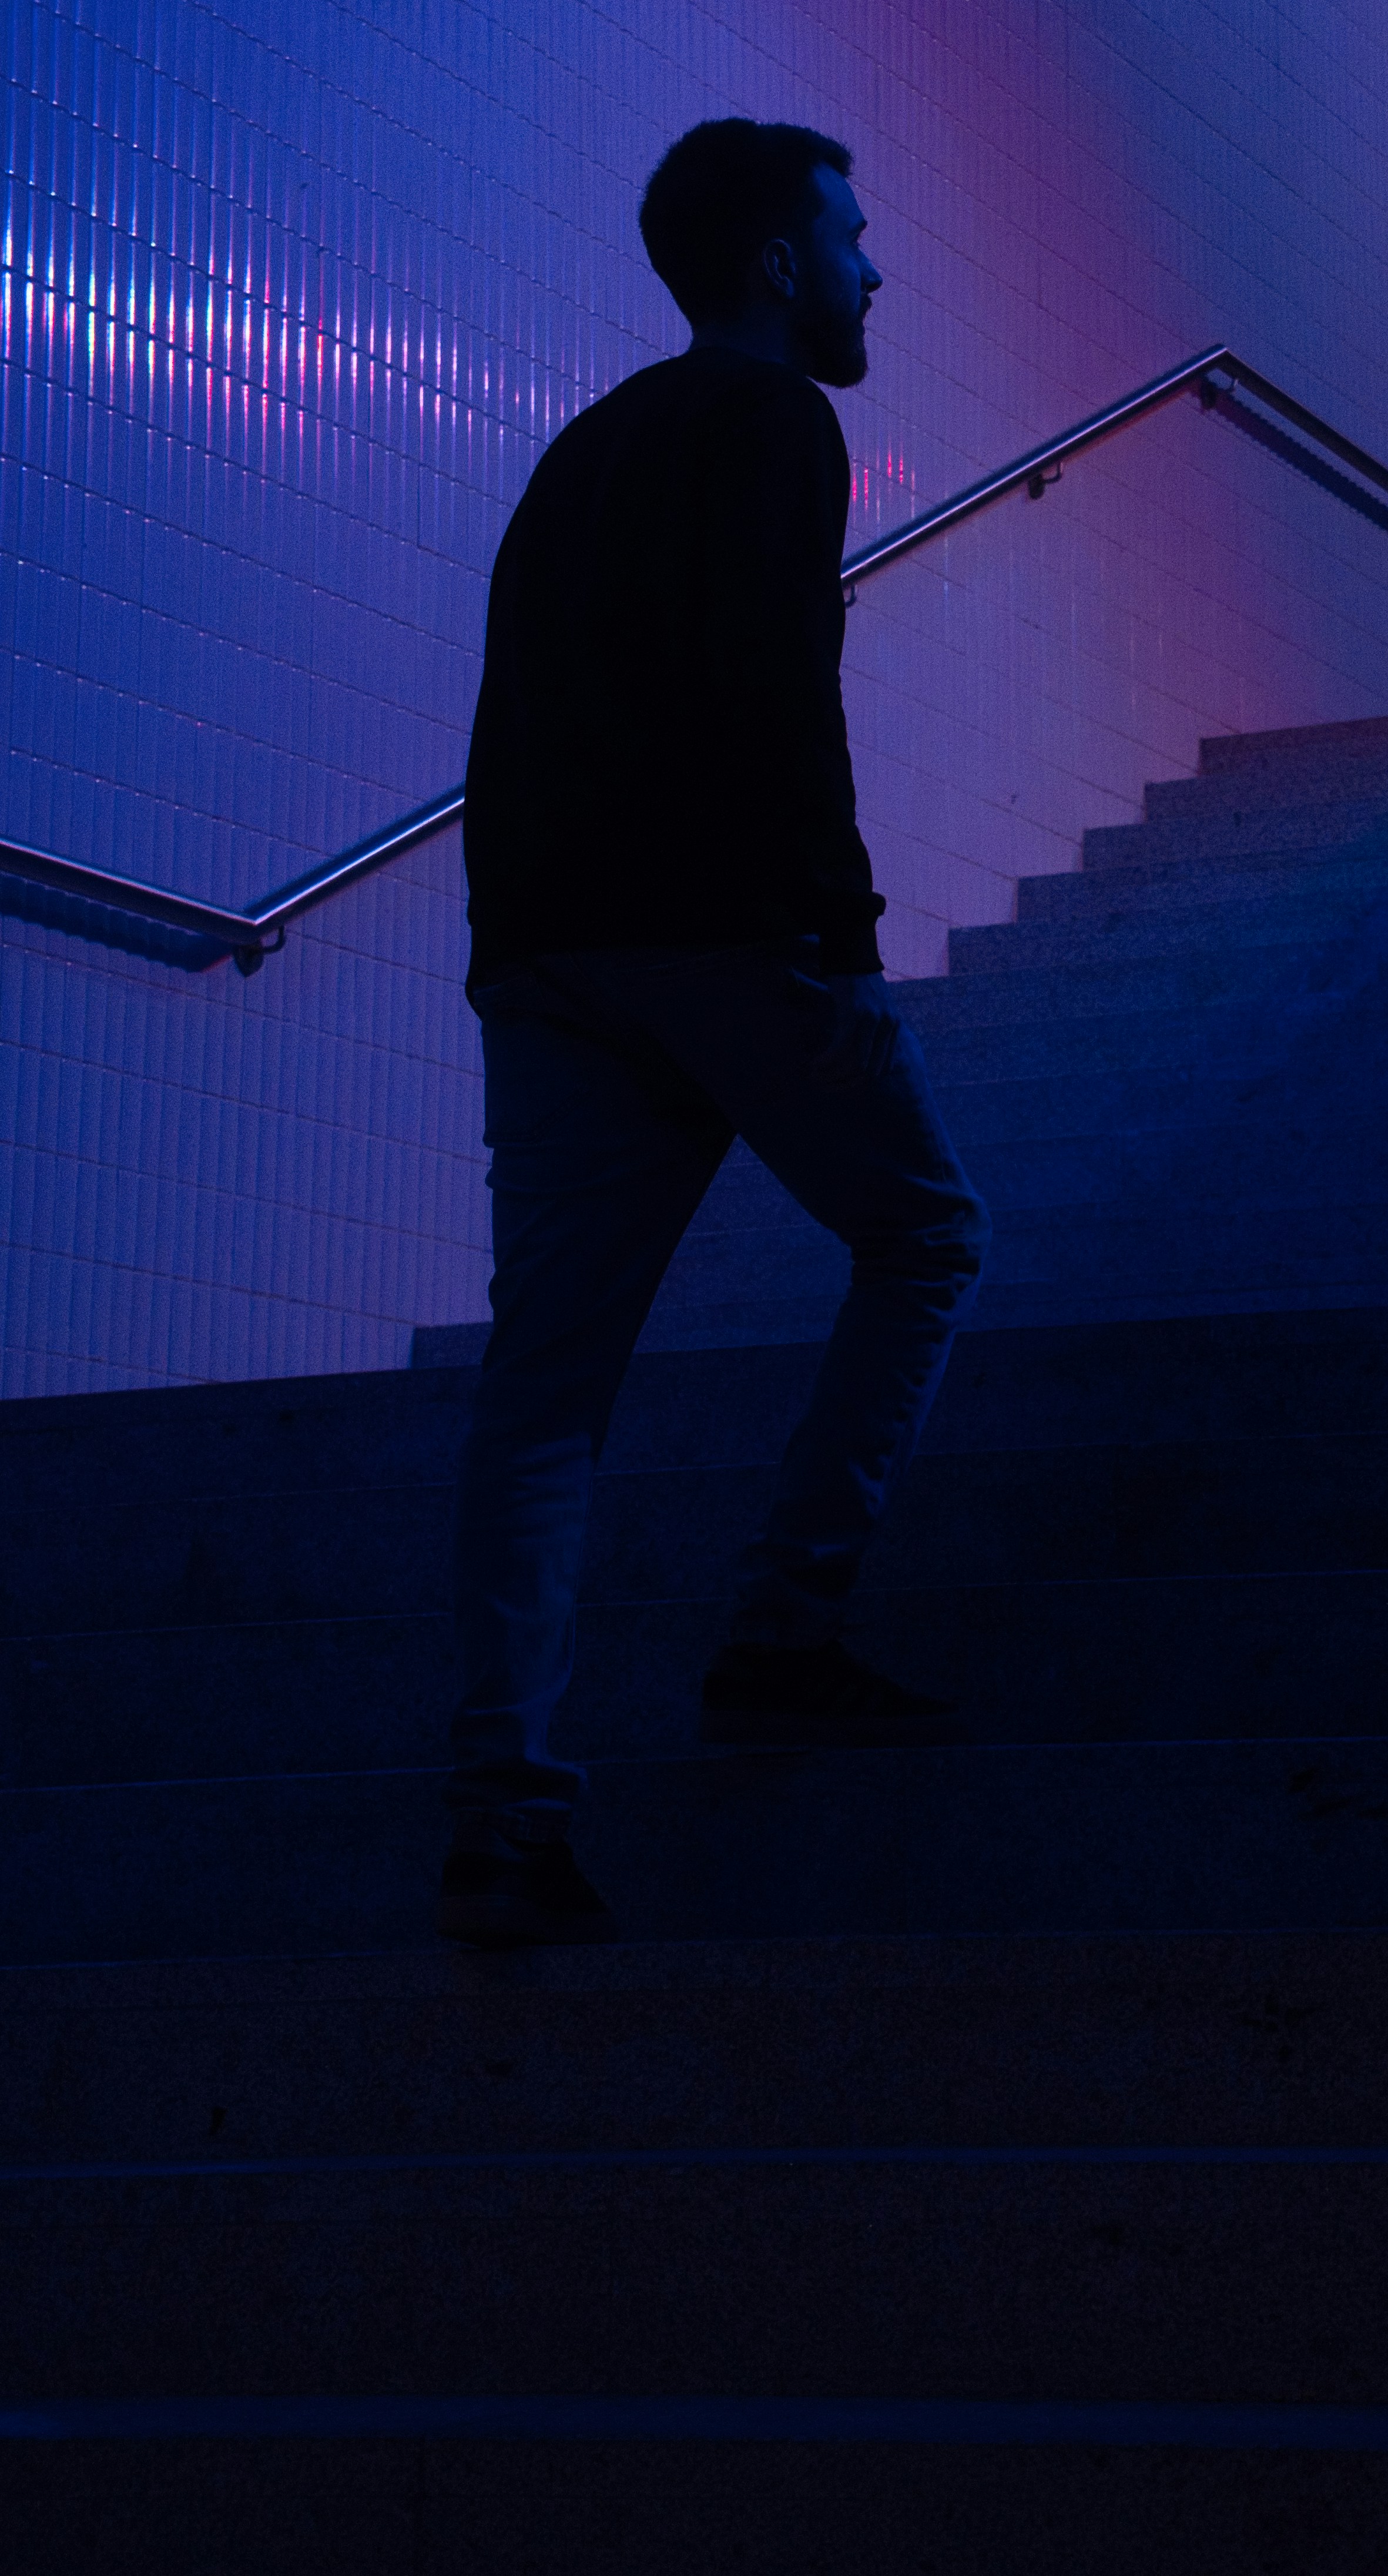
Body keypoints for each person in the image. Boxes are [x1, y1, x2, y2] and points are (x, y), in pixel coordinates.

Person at [435, 119, 990, 1947]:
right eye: (851, 235)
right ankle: (782, 1628)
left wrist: (519, 946)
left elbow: (513, 709)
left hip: (550, 954)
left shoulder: (584, 445)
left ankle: (503, 1820)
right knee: (925, 1235)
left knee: (545, 1397)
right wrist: (839, 929)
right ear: (778, 263)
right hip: (727, 940)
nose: (871, 269)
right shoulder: (774, 422)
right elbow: (775, 687)